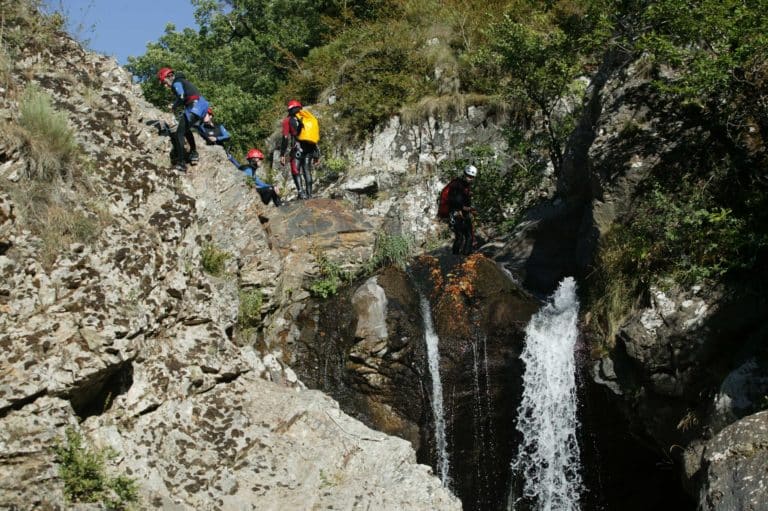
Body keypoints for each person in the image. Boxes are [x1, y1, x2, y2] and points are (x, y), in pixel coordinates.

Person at [157, 67, 209, 173]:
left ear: (169, 77)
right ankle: (194, 153)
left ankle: (181, 164)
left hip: (194, 107)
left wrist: (174, 106)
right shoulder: (184, 81)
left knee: (179, 133)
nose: (165, 86)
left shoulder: (177, 82)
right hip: (200, 105)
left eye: (164, 82)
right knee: (185, 129)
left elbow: (181, 96)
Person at [279, 99, 320, 199]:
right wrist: (316, 153)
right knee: (307, 170)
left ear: (289, 110)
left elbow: (285, 138)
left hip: (297, 149)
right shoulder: (307, 118)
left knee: (295, 170)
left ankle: (301, 193)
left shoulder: (287, 121)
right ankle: (310, 194)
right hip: (310, 148)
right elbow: (313, 136)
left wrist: (282, 154)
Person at [446, 165, 477, 255]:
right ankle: (464, 257)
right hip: (458, 214)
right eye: (468, 176)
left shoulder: (462, 184)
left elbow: (459, 200)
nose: (470, 178)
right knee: (468, 237)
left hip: (457, 214)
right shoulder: (459, 185)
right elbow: (455, 201)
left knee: (461, 237)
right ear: (464, 174)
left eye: (471, 177)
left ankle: (456, 256)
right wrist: (468, 209)